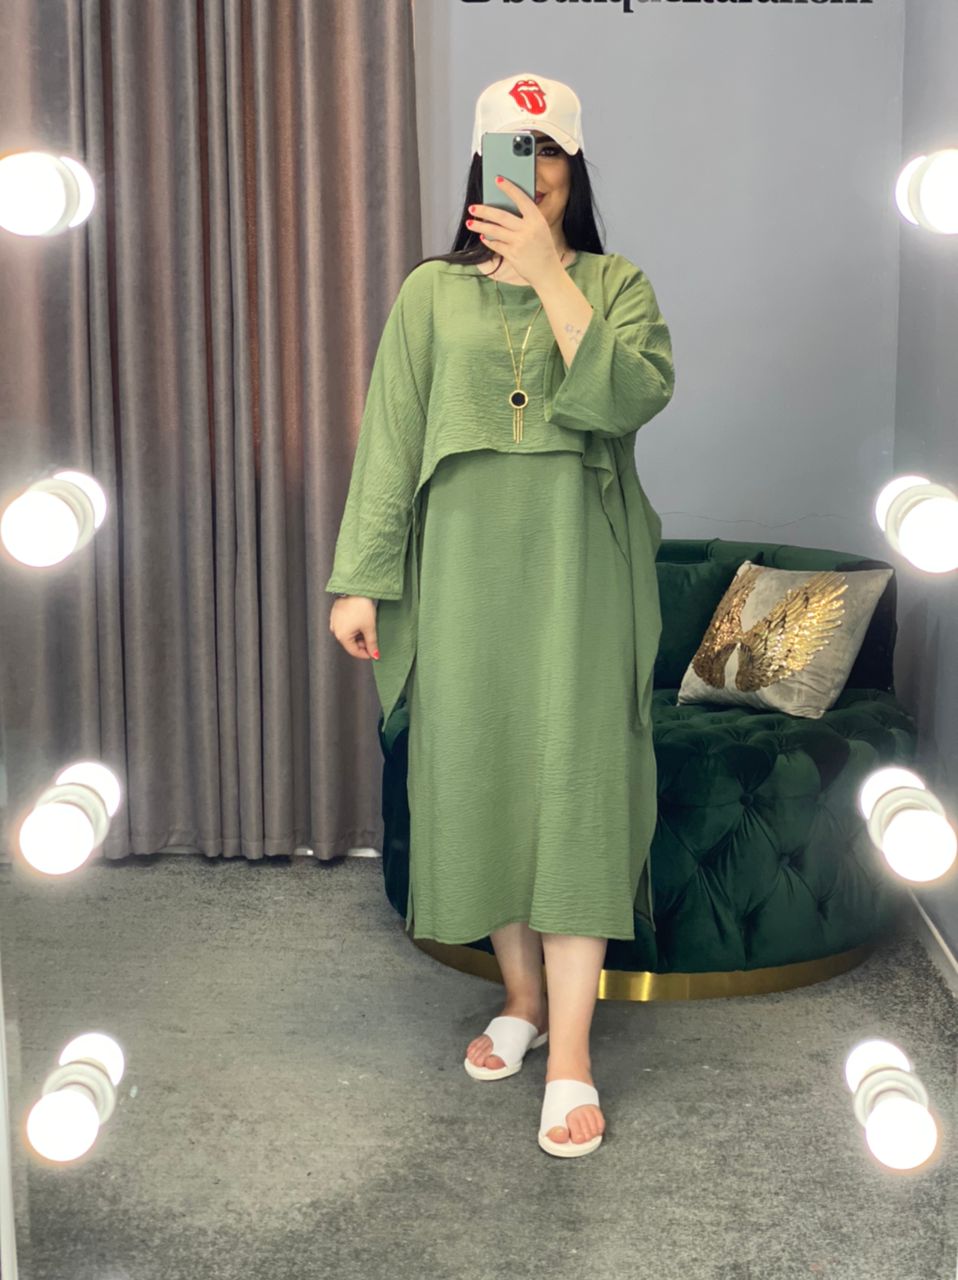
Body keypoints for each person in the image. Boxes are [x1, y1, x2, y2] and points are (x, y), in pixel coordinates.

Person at [326, 73, 676, 1158]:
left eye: (549, 151)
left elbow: (629, 397)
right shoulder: (430, 293)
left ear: (574, 167)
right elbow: (392, 438)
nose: (534, 171)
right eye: (513, 152)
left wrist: (548, 273)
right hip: (464, 571)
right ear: (482, 166)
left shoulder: (615, 284)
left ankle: (570, 1052)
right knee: (481, 778)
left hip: (580, 571)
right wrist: (361, 577)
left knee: (575, 788)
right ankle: (521, 1000)